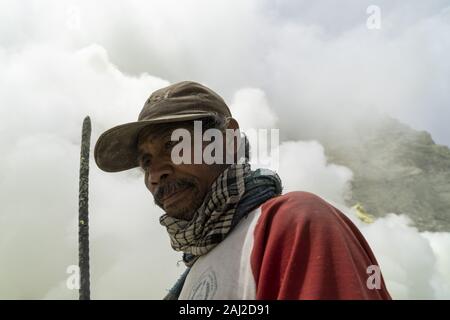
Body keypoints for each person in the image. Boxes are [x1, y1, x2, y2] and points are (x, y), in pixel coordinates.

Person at [94, 81, 391, 300]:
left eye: (173, 145)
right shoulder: (189, 279)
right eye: (146, 162)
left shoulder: (292, 222)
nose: (156, 172)